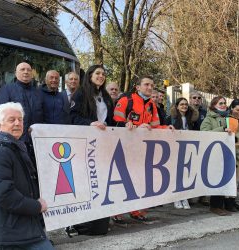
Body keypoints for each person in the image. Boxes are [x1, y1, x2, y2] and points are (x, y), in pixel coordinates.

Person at [0, 102, 53, 249]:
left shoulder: (15, 145)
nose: (18, 123)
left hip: (23, 227)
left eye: (20, 119)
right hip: (11, 233)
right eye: (11, 120)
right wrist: (37, 206)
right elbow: (5, 195)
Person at [113, 76, 173, 222]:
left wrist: (166, 128)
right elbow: (115, 123)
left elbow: (155, 126)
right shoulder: (126, 101)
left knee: (140, 180)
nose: (149, 87)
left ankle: (136, 211)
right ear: (138, 87)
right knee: (122, 179)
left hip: (143, 149)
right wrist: (132, 126)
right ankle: (116, 212)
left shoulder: (152, 105)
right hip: (124, 147)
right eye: (146, 84)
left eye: (152, 85)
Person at [68, 64, 114, 235]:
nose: (101, 76)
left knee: (100, 181)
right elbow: (72, 117)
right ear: (89, 76)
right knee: (86, 181)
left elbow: (112, 120)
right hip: (85, 144)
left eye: (103, 74)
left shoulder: (106, 96)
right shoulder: (80, 93)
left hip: (103, 144)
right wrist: (90, 123)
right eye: (97, 73)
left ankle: (99, 220)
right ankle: (82, 222)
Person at [0, 62, 44, 162]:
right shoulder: (7, 89)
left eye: (28, 70)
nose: (26, 72)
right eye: (22, 69)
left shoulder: (38, 92)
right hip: (14, 140)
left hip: (34, 142)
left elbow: (42, 115)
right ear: (16, 73)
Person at [200, 96, 233, 216]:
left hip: (227, 152)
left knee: (225, 178)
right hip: (214, 152)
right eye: (221, 103)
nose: (224, 105)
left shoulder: (229, 118)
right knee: (217, 179)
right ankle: (215, 206)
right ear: (214, 105)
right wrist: (222, 129)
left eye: (225, 103)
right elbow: (204, 133)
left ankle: (224, 204)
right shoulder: (209, 118)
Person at [166, 97, 199, 210]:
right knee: (176, 173)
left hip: (188, 148)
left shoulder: (192, 119)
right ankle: (176, 198)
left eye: (186, 104)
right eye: (181, 104)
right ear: (177, 106)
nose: (184, 106)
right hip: (175, 149)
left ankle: (184, 197)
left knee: (185, 172)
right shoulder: (171, 118)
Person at [225, 99, 239, 212]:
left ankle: (232, 201)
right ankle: (227, 202)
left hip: (238, 154)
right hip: (226, 153)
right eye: (238, 109)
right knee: (227, 179)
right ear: (232, 108)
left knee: (236, 180)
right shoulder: (226, 119)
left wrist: (236, 137)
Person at [189, 91, 209, 206]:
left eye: (199, 98)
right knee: (190, 171)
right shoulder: (186, 110)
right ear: (190, 99)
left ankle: (204, 196)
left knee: (203, 170)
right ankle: (190, 196)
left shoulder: (205, 113)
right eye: (194, 97)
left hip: (203, 145)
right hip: (190, 145)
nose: (196, 99)